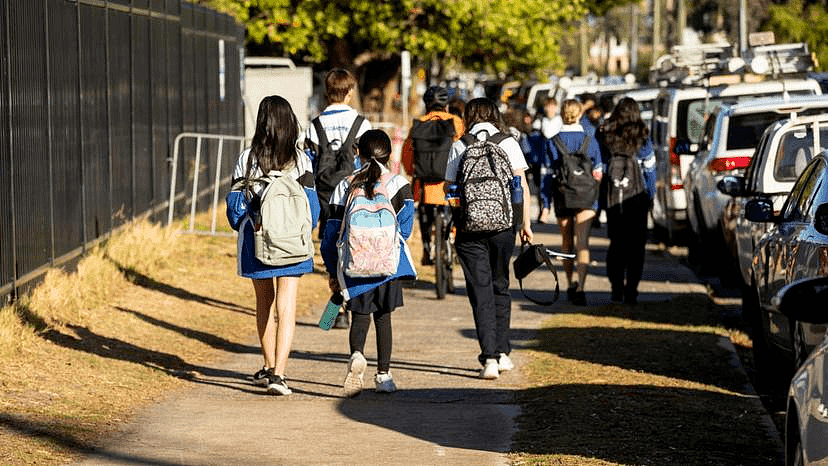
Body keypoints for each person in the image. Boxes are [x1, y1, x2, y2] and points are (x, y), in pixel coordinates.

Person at [226, 95, 321, 395]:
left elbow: (234, 207)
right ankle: (280, 374)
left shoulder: (247, 158)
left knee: (264, 303)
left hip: (257, 240)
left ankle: (267, 367)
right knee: (287, 306)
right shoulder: (301, 159)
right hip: (292, 241)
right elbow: (313, 207)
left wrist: (248, 222)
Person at [320, 129, 416, 396]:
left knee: (359, 317)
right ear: (388, 154)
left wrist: (332, 270)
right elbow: (406, 229)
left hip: (355, 263)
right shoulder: (399, 184)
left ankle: (357, 356)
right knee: (383, 319)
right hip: (388, 265)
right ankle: (384, 375)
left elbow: (331, 232)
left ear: (357, 153)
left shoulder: (345, 184)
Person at [445, 97, 533, 380]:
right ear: (494, 114)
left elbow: (450, 188)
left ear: (469, 116)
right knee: (501, 285)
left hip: (470, 230)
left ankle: (490, 358)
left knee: (480, 291)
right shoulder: (507, 142)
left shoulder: (460, 144)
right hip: (503, 228)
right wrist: (524, 224)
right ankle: (504, 352)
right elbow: (522, 185)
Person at [304, 68, 372, 329]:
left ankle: (335, 311)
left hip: (325, 196)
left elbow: (309, 163)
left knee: (331, 251)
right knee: (354, 249)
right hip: (354, 194)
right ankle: (349, 304)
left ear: (326, 91)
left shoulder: (315, 124)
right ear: (350, 92)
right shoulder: (361, 123)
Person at [597, 97, 656, 305]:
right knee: (636, 247)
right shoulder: (642, 134)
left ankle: (616, 289)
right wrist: (650, 196)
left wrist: (601, 200)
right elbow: (649, 169)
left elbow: (602, 168)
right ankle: (632, 290)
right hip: (636, 199)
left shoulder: (605, 133)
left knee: (616, 244)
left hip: (614, 198)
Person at [546, 99, 603, 306]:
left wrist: (545, 203)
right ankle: (581, 287)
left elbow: (547, 175)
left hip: (562, 196)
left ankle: (569, 282)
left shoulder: (553, 141)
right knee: (582, 242)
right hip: (586, 197)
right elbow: (598, 172)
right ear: (580, 115)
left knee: (566, 242)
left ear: (562, 114)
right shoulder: (590, 140)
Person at [401, 86, 464, 265]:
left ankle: (427, 250)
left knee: (424, 213)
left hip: (425, 184)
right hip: (450, 184)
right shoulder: (457, 122)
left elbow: (407, 153)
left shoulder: (418, 123)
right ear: (446, 105)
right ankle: (455, 243)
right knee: (458, 211)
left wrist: (412, 172)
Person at [533, 96, 563, 223]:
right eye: (547, 106)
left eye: (552, 105)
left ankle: (559, 211)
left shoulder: (561, 121)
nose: (550, 109)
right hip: (544, 160)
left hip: (558, 159)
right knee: (544, 185)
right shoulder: (539, 121)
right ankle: (545, 210)